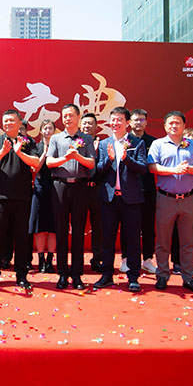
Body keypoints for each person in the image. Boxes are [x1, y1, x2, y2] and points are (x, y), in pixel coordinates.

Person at [148, 111, 193, 294]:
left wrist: (188, 168)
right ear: (165, 126)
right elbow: (152, 167)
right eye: (171, 123)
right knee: (163, 241)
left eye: (178, 123)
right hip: (166, 199)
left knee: (188, 242)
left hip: (188, 199)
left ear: (184, 126)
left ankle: (188, 277)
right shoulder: (158, 144)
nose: (174, 126)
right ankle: (162, 275)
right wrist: (174, 170)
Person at [92, 107, 147, 292]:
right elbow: (97, 171)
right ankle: (107, 275)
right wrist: (109, 160)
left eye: (119, 120)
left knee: (132, 240)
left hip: (131, 200)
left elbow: (143, 168)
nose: (115, 123)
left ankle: (133, 277)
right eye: (113, 119)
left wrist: (126, 158)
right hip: (109, 200)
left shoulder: (137, 143)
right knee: (107, 239)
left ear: (127, 123)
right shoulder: (103, 144)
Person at [0, 109, 40, 288]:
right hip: (0, 196)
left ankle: (21, 275)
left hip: (22, 197)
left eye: (11, 120)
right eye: (5, 120)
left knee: (21, 237)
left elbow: (36, 163)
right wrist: (2, 151)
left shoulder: (27, 141)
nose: (8, 123)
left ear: (19, 123)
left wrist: (19, 152)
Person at [47, 103, 96, 290]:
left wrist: (77, 157)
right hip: (60, 186)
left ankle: (76, 274)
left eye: (70, 115)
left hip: (80, 188)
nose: (67, 118)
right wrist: (66, 158)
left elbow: (91, 164)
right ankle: (62, 273)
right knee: (61, 230)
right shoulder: (56, 138)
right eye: (64, 116)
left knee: (78, 231)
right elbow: (50, 162)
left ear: (78, 117)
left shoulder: (86, 139)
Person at [170, 127, 193, 277]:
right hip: (176, 193)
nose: (189, 141)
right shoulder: (175, 153)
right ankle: (177, 262)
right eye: (186, 138)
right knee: (176, 229)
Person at [130, 108, 158, 273]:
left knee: (148, 226)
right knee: (129, 227)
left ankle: (147, 259)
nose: (138, 123)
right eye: (135, 119)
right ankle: (127, 258)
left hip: (148, 190)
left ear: (146, 122)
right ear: (130, 122)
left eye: (141, 119)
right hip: (129, 190)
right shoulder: (125, 140)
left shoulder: (153, 142)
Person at [29, 119, 57, 273]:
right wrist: (45, 153)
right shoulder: (36, 147)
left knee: (53, 227)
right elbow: (35, 169)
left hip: (56, 189)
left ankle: (50, 259)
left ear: (54, 130)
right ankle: (40, 259)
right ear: (40, 131)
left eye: (50, 128)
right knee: (39, 227)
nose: (47, 131)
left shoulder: (59, 145)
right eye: (45, 128)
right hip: (40, 189)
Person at [80, 113, 104, 273]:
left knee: (98, 226)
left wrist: (94, 153)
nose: (87, 126)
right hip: (80, 189)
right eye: (85, 123)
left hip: (97, 189)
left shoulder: (102, 144)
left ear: (96, 127)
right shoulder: (76, 143)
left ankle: (97, 259)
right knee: (78, 225)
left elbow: (104, 167)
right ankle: (78, 260)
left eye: (90, 123)